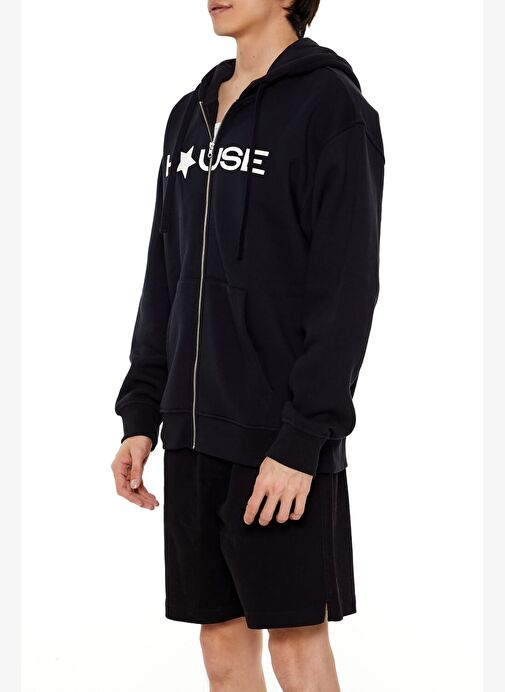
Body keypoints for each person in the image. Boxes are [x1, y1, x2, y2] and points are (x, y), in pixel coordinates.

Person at [111, 0, 385, 689]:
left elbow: (346, 288)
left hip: (278, 439)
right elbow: (164, 270)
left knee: (295, 644)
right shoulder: (190, 115)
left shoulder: (331, 109)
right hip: (192, 430)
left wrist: (303, 439)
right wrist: (141, 413)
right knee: (221, 645)